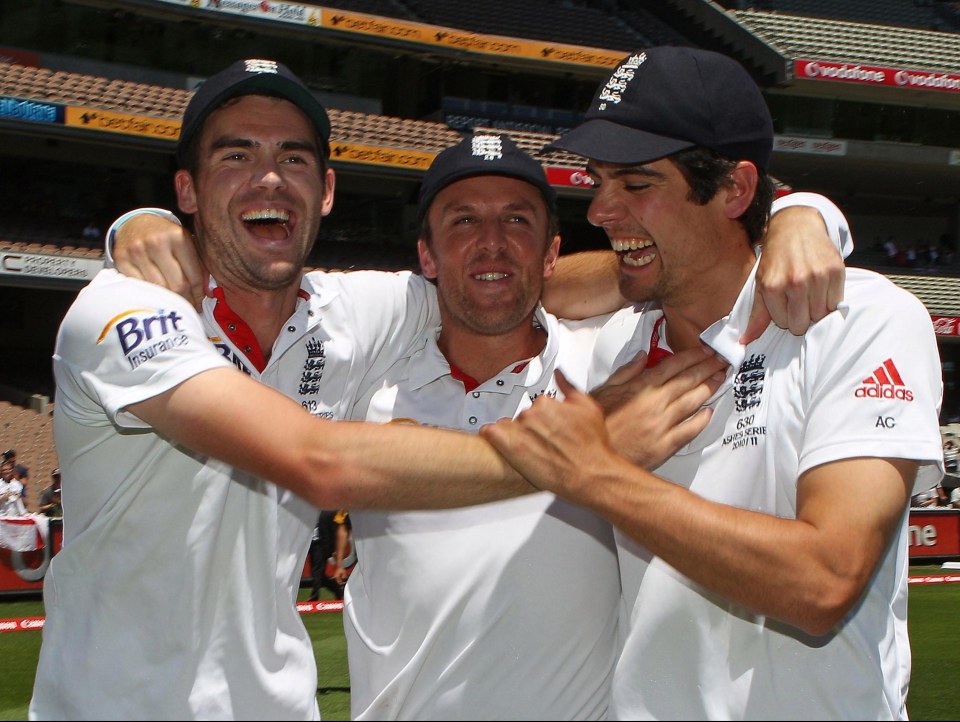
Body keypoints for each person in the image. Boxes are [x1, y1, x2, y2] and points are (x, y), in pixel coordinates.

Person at [30, 58, 721, 721]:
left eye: (293, 159)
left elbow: (508, 282)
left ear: (327, 191)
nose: (269, 178)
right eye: (236, 157)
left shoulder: (354, 313)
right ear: (185, 191)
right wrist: (581, 447)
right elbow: (317, 461)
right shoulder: (124, 308)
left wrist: (787, 224)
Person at [480, 46, 945, 720]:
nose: (601, 209)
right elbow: (514, 292)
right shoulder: (612, 346)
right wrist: (790, 216)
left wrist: (597, 472)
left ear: (734, 189)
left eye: (636, 185)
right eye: (599, 180)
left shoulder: (862, 319)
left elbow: (825, 580)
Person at [307, 508, 351, 601]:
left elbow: (340, 529)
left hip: (321, 544)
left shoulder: (330, 512)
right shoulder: (319, 512)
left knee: (317, 571)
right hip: (315, 544)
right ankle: (337, 590)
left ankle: (314, 597)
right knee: (318, 573)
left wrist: (332, 549)